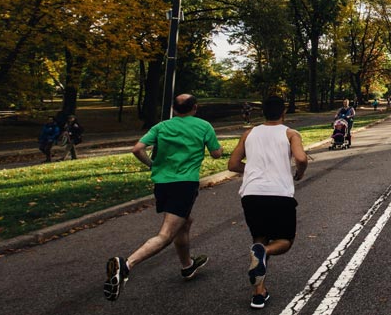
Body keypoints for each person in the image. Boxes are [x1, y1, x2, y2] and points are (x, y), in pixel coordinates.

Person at [104, 94, 223, 302]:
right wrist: (214, 147)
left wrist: (152, 165)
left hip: (162, 184)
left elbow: (137, 149)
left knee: (184, 223)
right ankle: (126, 265)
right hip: (184, 184)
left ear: (174, 109)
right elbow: (216, 154)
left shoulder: (161, 127)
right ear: (195, 107)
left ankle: (187, 266)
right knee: (166, 234)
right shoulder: (204, 126)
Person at [227, 96, 310, 309]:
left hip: (251, 194)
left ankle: (258, 293)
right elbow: (301, 159)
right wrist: (299, 173)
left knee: (259, 240)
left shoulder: (249, 133)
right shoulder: (291, 133)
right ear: (283, 113)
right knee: (284, 241)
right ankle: (266, 253)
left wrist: (255, 171)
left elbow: (233, 164)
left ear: (263, 113)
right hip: (279, 194)